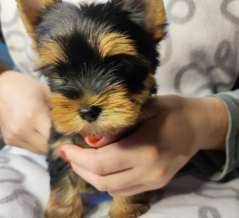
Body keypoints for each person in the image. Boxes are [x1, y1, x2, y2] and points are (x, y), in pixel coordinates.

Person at [0, 68, 237, 199]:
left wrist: (211, 120)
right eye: (62, 73)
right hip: (26, 160)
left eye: (119, 66)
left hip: (203, 178)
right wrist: (4, 78)